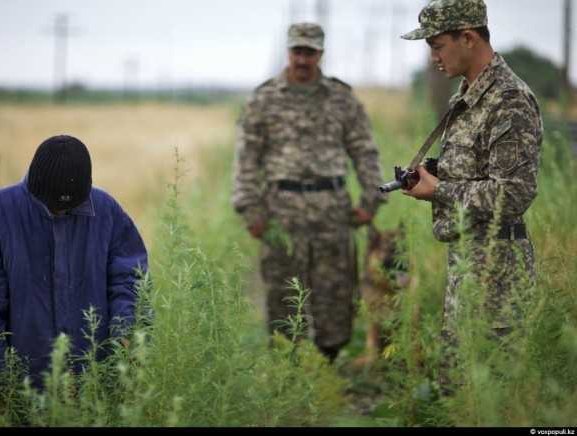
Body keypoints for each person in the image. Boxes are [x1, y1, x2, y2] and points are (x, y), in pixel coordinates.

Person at [399, 0, 543, 395]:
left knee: (488, 396)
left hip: (497, 270)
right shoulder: (468, 97)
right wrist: (434, 175)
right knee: (457, 391)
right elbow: (478, 172)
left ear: (467, 38)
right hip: (469, 263)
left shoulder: (508, 99)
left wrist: (439, 189)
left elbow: (513, 193)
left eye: (437, 45)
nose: (433, 58)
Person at [231, 22, 387, 362]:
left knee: (334, 290)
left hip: (331, 208)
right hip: (280, 209)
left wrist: (372, 199)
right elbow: (247, 158)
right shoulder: (263, 99)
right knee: (282, 291)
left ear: (321, 53)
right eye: (297, 51)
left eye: (310, 52)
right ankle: (287, 366)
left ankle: (329, 359)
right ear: (288, 51)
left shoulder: (342, 98)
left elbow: (364, 151)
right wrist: (250, 209)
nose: (303, 59)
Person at [0, 134, 149, 391]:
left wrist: (128, 343)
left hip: (96, 387)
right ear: (36, 187)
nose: (61, 213)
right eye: (52, 206)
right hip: (23, 391)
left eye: (70, 208)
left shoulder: (107, 212)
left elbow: (131, 282)